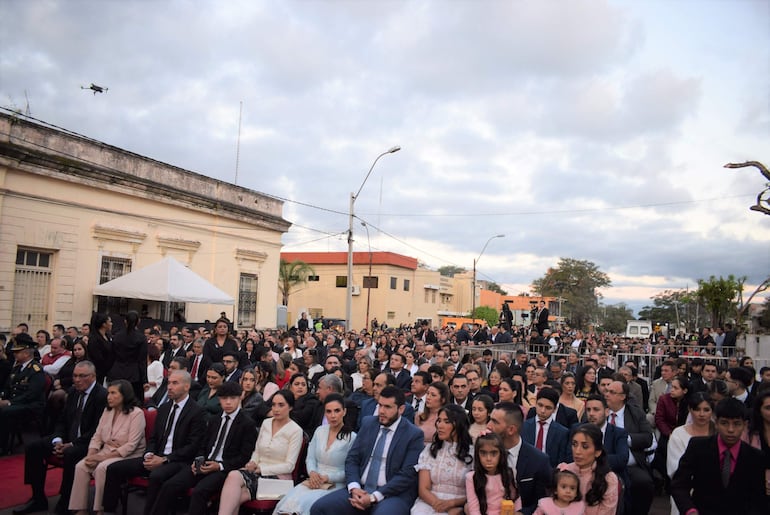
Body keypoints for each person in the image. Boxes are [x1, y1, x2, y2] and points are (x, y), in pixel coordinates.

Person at [101, 370, 207, 515]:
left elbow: (192, 446)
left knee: (157, 476)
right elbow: (153, 438)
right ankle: (108, 511)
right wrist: (149, 453)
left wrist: (165, 459)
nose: (169, 387)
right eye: (169, 383)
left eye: (175, 383)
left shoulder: (197, 412)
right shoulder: (163, 409)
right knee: (114, 468)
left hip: (177, 460)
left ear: (187, 387)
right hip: (156, 456)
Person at [310, 386, 425, 515]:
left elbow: (407, 475)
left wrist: (373, 497)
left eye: (387, 407)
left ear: (401, 409)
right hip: (360, 488)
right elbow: (352, 459)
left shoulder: (413, 435)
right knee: (319, 508)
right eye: (380, 405)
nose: (381, 411)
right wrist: (354, 488)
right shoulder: (369, 423)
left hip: (391, 494)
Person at [15, 361, 107, 515]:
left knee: (71, 454)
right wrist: (58, 440)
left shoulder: (102, 396)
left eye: (82, 376)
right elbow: (62, 421)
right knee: (33, 447)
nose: (77, 380)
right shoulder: (72, 392)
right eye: (75, 376)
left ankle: (67, 500)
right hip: (67, 439)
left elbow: (98, 431)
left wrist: (71, 444)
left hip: (89, 443)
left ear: (93, 377)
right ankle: (38, 498)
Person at [155, 381, 257, 515]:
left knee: (200, 491)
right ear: (219, 399)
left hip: (225, 469)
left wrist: (219, 466)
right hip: (205, 463)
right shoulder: (215, 420)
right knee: (170, 485)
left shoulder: (247, 424)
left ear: (240, 397)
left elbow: (244, 457)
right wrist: (198, 460)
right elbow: (203, 445)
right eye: (224, 398)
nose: (228, 402)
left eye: (232, 398)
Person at [671, 398, 765, 515]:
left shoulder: (755, 457)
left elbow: (759, 499)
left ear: (744, 425)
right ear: (716, 423)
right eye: (724, 423)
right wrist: (690, 510)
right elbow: (679, 485)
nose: (730, 430)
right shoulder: (698, 447)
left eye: (736, 424)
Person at [217, 389, 303, 515]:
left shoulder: (296, 430)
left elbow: (289, 466)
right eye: (273, 405)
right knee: (234, 479)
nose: (276, 409)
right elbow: (257, 451)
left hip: (278, 478)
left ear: (290, 407)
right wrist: (252, 462)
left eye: (281, 405)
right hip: (257, 473)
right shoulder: (266, 423)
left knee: (235, 495)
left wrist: (260, 469)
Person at [69, 379, 146, 515]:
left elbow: (131, 445)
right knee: (81, 466)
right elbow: (97, 436)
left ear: (124, 395)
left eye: (113, 393)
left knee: (102, 468)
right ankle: (80, 509)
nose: (108, 396)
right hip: (107, 451)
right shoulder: (107, 411)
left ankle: (101, 509)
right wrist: (91, 455)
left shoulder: (137, 414)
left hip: (127, 455)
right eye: (108, 393)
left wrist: (101, 457)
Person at [274, 393, 357, 515]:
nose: (333, 415)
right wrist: (312, 473)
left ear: (344, 412)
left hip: (335, 485)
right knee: (287, 503)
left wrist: (327, 477)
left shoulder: (352, 437)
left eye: (337, 411)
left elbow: (351, 471)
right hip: (313, 481)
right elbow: (310, 458)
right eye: (328, 411)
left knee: (305, 505)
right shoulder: (319, 431)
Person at [486, 401, 552, 514]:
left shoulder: (538, 460)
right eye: (490, 419)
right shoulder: (484, 452)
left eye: (495, 422)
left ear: (511, 429)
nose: (488, 426)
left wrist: (522, 513)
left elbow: (543, 500)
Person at [410, 404, 473, 515]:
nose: (440, 425)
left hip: (460, 504)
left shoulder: (472, 453)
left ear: (459, 425)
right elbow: (423, 489)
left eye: (446, 422)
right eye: (439, 421)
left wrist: (452, 503)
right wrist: (438, 504)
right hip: (430, 502)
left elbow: (476, 492)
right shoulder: (430, 450)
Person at [604, 380, 654, 515]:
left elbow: (647, 438)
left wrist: (625, 439)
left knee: (644, 483)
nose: (607, 394)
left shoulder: (635, 413)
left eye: (612, 392)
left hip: (630, 465)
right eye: (606, 391)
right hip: (604, 463)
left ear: (623, 396)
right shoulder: (598, 410)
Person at [665, 392, 714, 515]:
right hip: (685, 493)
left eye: (706, 410)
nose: (701, 414)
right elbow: (675, 468)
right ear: (690, 410)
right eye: (697, 409)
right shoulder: (678, 434)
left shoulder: (719, 434)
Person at [557, 425, 618, 515]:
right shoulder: (563, 470)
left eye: (585, 446)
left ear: (597, 452)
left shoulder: (608, 479)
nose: (577, 451)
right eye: (574, 444)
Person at [0, 335, 46, 454]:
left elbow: (31, 394)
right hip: (18, 402)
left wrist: (9, 402)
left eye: (17, 352)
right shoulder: (16, 368)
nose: (14, 354)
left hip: (31, 405)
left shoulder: (36, 370)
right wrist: (2, 396)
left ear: (26, 353)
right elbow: (7, 387)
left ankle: (3, 447)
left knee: (5, 411)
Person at [465, 432, 516, 515]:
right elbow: (474, 508)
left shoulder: (508, 473)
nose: (488, 459)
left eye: (494, 453)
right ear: (477, 455)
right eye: (483, 453)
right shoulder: (471, 477)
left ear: (501, 454)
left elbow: (514, 498)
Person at [522, 388, 572, 467]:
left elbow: (561, 460)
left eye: (548, 408)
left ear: (554, 409)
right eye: (540, 405)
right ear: (536, 403)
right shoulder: (523, 427)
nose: (542, 410)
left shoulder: (562, 433)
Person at [107, 311, 148, 402]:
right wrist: (144, 380)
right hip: (134, 374)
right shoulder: (141, 338)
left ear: (125, 321)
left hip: (116, 372)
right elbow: (142, 361)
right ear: (138, 321)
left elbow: (111, 356)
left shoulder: (117, 336)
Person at [88, 313, 114, 385]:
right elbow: (97, 358)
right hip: (98, 372)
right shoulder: (94, 339)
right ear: (104, 324)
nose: (111, 324)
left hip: (108, 372)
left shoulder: (108, 336)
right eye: (109, 322)